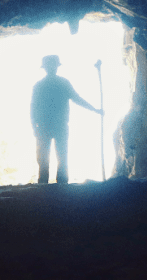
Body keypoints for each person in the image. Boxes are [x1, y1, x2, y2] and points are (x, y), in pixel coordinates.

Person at [31, 55, 103, 184]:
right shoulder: (61, 83)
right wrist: (95, 110)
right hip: (57, 126)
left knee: (47, 159)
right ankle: (61, 187)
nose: (53, 68)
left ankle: (44, 188)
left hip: (45, 127)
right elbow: (77, 99)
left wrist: (95, 110)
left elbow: (33, 109)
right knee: (58, 157)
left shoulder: (40, 85)